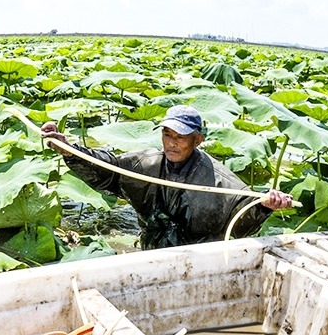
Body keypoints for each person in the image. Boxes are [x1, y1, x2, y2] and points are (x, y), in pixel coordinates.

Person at [41, 105, 294, 249]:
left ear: (198, 140)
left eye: (180, 137)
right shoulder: (146, 164)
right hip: (150, 247)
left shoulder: (219, 182)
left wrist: (264, 206)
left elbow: (238, 223)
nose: (171, 144)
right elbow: (107, 169)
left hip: (196, 257)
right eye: (167, 134)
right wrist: (70, 150)